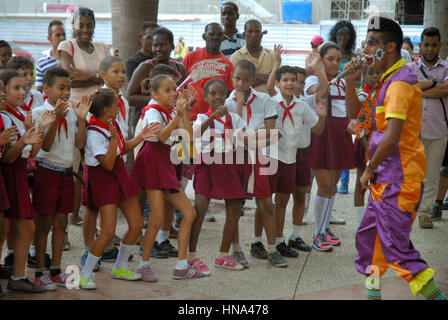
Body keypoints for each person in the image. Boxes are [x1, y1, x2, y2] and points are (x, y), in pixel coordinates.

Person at [351, 16, 446, 301]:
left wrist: (368, 169)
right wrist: (350, 79)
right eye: (366, 42)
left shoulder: (399, 83)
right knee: (371, 241)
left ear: (390, 47)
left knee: (395, 246)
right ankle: (373, 296)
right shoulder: (388, 78)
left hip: (399, 179)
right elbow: (360, 119)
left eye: (372, 43)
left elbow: (391, 138)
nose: (366, 49)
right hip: (385, 178)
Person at [80, 88, 157, 290]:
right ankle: (85, 273)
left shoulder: (111, 125)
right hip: (104, 180)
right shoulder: (94, 132)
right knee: (107, 232)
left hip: (121, 176)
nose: (119, 106)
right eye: (116, 104)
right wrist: (114, 140)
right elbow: (106, 163)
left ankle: (120, 267)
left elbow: (123, 149)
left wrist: (142, 136)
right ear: (107, 110)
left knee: (137, 223)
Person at [132, 75, 204, 280]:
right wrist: (177, 115)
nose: (174, 93)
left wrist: (184, 111)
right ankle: (143, 265)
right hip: (153, 160)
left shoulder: (173, 108)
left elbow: (187, 136)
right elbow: (162, 137)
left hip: (166, 162)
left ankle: (182, 266)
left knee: (189, 213)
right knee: (156, 217)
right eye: (168, 90)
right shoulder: (153, 111)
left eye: (175, 89)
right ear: (154, 94)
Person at [58, 6, 112, 258]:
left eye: (90, 25)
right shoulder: (67, 47)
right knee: (72, 169)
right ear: (74, 25)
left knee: (98, 169)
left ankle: (102, 230)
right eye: (82, 25)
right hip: (75, 112)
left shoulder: (102, 48)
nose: (86, 30)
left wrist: (89, 76)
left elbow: (108, 76)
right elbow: (69, 79)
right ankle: (68, 225)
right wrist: (97, 78)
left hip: (99, 113)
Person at [32, 68, 91, 290]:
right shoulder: (39, 113)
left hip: (66, 174)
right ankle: (39, 271)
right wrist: (55, 118)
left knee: (61, 223)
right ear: (46, 89)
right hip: (47, 173)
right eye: (61, 88)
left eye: (68, 88)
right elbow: (45, 146)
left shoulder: (72, 113)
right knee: (43, 224)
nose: (66, 93)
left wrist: (82, 119)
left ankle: (55, 270)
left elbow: (79, 144)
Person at [225, 59, 286, 267]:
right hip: (235, 157)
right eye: (237, 78)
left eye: (245, 79)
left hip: (258, 155)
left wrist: (249, 136)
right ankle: (236, 249)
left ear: (253, 80)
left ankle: (271, 249)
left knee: (266, 203)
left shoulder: (265, 100)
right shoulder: (229, 102)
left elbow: (271, 131)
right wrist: (240, 104)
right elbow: (234, 131)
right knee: (234, 206)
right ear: (232, 78)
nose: (240, 83)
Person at [267, 46, 327, 253]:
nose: (291, 83)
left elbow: (317, 129)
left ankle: (292, 236)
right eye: (286, 80)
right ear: (278, 84)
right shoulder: (271, 104)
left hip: (294, 157)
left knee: (292, 196)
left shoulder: (302, 106)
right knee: (273, 200)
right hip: (274, 158)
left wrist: (323, 115)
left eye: (295, 80)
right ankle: (274, 240)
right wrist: (276, 64)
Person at [0, 69, 52, 293]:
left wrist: (39, 130)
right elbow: (8, 157)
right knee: (9, 227)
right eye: (15, 88)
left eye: (24, 87)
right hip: (9, 173)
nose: (22, 92)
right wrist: (24, 139)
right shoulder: (4, 116)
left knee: (21, 226)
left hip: (18, 173)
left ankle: (18, 276)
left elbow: (31, 153)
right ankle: (17, 276)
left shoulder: (20, 114)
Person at [190, 78, 247, 272]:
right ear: (205, 97)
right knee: (200, 208)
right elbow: (195, 134)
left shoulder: (235, 118)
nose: (217, 97)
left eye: (221, 94)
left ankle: (223, 255)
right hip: (207, 165)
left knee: (234, 209)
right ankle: (191, 255)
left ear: (226, 96)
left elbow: (243, 140)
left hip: (229, 166)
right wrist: (213, 116)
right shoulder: (200, 117)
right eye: (212, 94)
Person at [304, 41, 355, 251]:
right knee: (324, 186)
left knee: (332, 187)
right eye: (330, 59)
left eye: (338, 59)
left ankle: (325, 228)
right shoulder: (312, 78)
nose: (335, 63)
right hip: (321, 135)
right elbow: (321, 94)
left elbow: (349, 107)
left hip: (341, 135)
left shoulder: (342, 80)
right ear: (320, 59)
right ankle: (318, 234)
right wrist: (317, 70)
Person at [407, 27, 448, 229]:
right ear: (420, 46)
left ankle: (424, 213)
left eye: (434, 45)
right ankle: (408, 210)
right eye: (426, 45)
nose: (430, 49)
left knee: (431, 174)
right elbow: (407, 90)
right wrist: (435, 85)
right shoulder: (410, 69)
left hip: (439, 131)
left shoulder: (447, 68)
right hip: (412, 131)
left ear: (440, 45)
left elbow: (445, 90)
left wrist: (421, 87)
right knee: (411, 174)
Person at [127, 27, 187, 134]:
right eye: (155, 45)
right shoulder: (145, 67)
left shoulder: (180, 68)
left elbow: (184, 95)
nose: (158, 49)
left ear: (172, 47)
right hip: (147, 123)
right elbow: (130, 98)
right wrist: (160, 100)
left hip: (173, 121)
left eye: (163, 45)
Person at [346, 65, 382, 226]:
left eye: (378, 73)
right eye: (371, 73)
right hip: (365, 142)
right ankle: (360, 221)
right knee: (361, 181)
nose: (375, 76)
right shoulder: (362, 96)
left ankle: (375, 219)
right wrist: (368, 146)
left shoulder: (386, 93)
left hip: (382, 144)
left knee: (380, 183)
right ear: (364, 76)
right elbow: (358, 125)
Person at [183, 22, 234, 121]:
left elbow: (229, 93)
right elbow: (181, 85)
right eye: (211, 34)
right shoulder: (190, 57)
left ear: (223, 38)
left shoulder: (228, 64)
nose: (215, 37)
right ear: (204, 36)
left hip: (215, 119)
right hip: (190, 117)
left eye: (219, 34)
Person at [0, 79, 20, 298]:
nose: (2, 97)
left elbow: (6, 158)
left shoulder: (5, 118)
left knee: (3, 226)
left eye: (2, 93)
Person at [230, 19, 275, 93]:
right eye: (250, 31)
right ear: (244, 35)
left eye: (257, 32)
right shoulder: (236, 57)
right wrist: (269, 77)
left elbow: (279, 79)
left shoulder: (272, 55)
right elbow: (237, 85)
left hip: (271, 101)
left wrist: (249, 77)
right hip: (245, 102)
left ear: (261, 34)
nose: (253, 35)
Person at [35, 20, 66, 92]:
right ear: (49, 38)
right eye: (58, 35)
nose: (62, 38)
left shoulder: (72, 58)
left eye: (64, 35)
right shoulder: (42, 62)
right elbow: (39, 90)